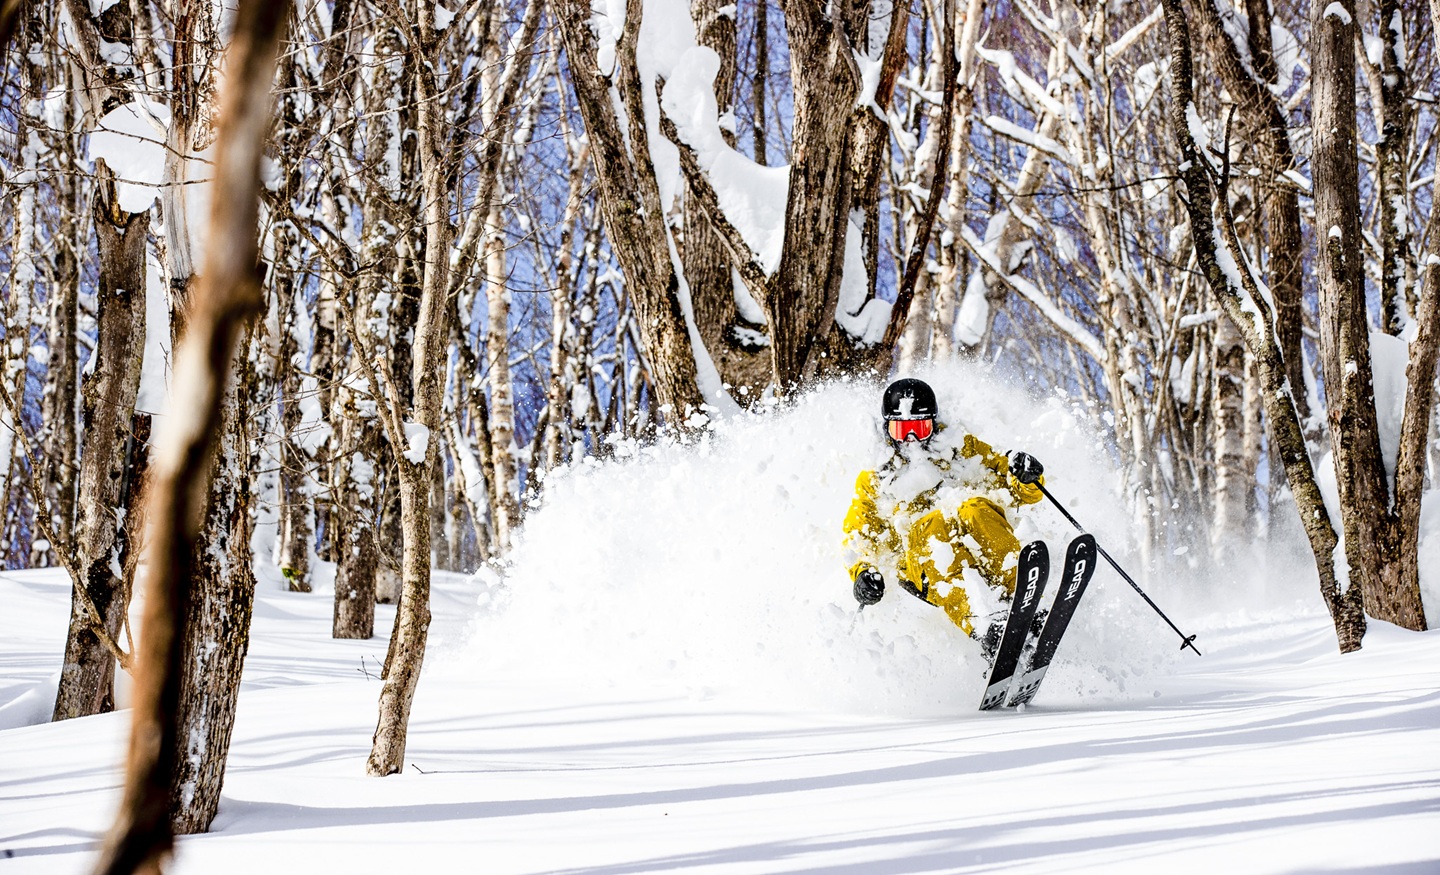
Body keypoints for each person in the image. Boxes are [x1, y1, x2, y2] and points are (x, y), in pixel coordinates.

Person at [842, 378, 1046, 644]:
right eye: (901, 431)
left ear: (934, 425)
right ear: (886, 430)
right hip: (922, 564)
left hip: (974, 539)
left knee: (976, 508)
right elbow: (859, 534)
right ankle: (983, 624)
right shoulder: (875, 479)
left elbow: (1014, 486)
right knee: (934, 526)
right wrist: (862, 574)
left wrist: (1026, 476)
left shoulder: (961, 450)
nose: (911, 440)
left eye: (920, 427)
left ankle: (1020, 598)